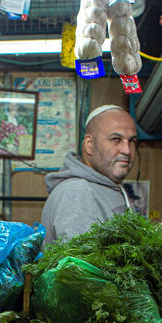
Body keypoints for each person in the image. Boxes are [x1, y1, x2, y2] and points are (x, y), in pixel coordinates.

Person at [40, 104, 139, 245]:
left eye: (132, 141)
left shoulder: (100, 187)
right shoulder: (78, 193)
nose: (127, 150)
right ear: (89, 144)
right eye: (116, 139)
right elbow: (81, 264)